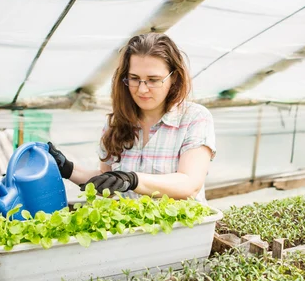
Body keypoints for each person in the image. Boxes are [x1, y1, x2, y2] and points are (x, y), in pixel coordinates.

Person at [48, 33, 216, 203]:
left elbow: (189, 185)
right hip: (134, 230)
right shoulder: (115, 124)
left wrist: (132, 180)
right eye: (134, 78)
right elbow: (108, 181)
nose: (142, 89)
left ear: (173, 77)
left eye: (153, 80)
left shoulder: (194, 118)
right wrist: (68, 169)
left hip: (184, 229)